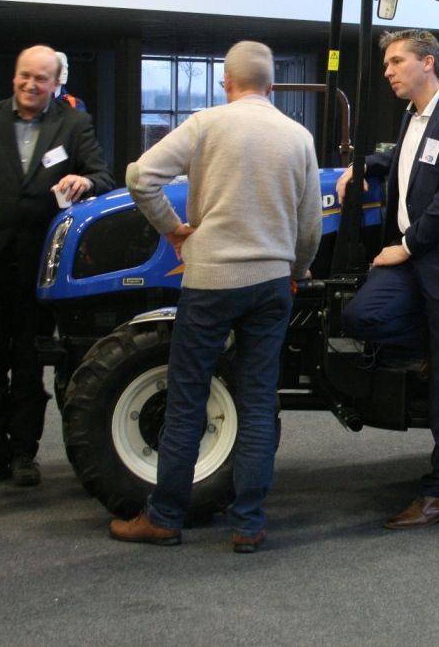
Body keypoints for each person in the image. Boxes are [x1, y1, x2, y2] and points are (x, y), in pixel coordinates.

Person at [110, 40, 321, 552]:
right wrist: (294, 269)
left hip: (210, 282)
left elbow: (140, 176)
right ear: (272, 85)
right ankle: (248, 524)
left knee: (187, 399)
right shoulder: (298, 137)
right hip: (270, 284)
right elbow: (310, 223)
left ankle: (164, 517)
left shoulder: (205, 124)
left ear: (226, 82)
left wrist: (172, 229)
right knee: (258, 401)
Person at [337, 28, 439, 530]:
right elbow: (405, 159)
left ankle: (438, 494)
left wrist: (405, 246)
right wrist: (364, 166)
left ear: (428, 63)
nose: (387, 71)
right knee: (361, 316)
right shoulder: (413, 115)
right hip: (415, 257)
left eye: (396, 61)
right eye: (387, 63)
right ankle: (436, 347)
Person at [0, 45, 113, 488]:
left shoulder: (74, 124)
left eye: (41, 78)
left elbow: (104, 177)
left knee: (29, 363)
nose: (30, 84)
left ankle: (25, 453)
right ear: (14, 77)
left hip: (43, 268)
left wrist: (86, 180)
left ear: (56, 83)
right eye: (24, 75)